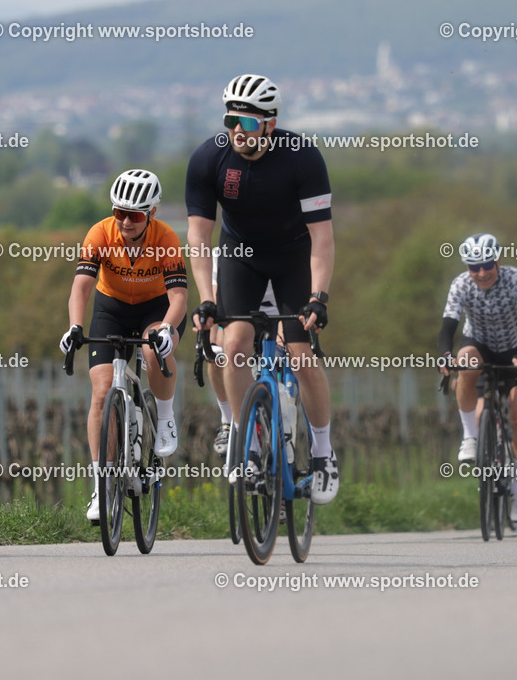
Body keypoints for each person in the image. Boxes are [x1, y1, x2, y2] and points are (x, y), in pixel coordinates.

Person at [185, 73, 339, 504]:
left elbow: (323, 238)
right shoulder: (209, 159)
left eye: (249, 123)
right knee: (233, 344)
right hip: (241, 255)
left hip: (294, 257)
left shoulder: (302, 157)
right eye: (230, 120)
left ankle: (323, 453)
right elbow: (198, 237)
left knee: (301, 355)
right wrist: (207, 298)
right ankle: (248, 444)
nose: (238, 130)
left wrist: (318, 297)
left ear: (271, 123)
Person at [60, 169, 187, 521]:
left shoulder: (166, 237)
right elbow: (81, 287)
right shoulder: (100, 233)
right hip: (111, 309)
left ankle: (165, 418)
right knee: (102, 393)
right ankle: (101, 488)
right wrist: (75, 326)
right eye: (120, 213)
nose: (126, 221)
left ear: (152, 213)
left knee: (152, 349)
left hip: (156, 309)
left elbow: (179, 296)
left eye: (135, 215)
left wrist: (166, 329)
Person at [437, 233, 517, 523]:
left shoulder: (515, 279)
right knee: (465, 361)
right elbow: (448, 325)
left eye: (486, 265)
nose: (481, 273)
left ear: (498, 261)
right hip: (480, 345)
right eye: (474, 267)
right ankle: (471, 437)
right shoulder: (460, 285)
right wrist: (445, 355)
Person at [207, 253, 277, 456]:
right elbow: (217, 305)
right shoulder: (224, 253)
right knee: (218, 354)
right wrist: (211, 344)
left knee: (288, 355)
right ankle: (227, 421)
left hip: (276, 316)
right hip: (239, 315)